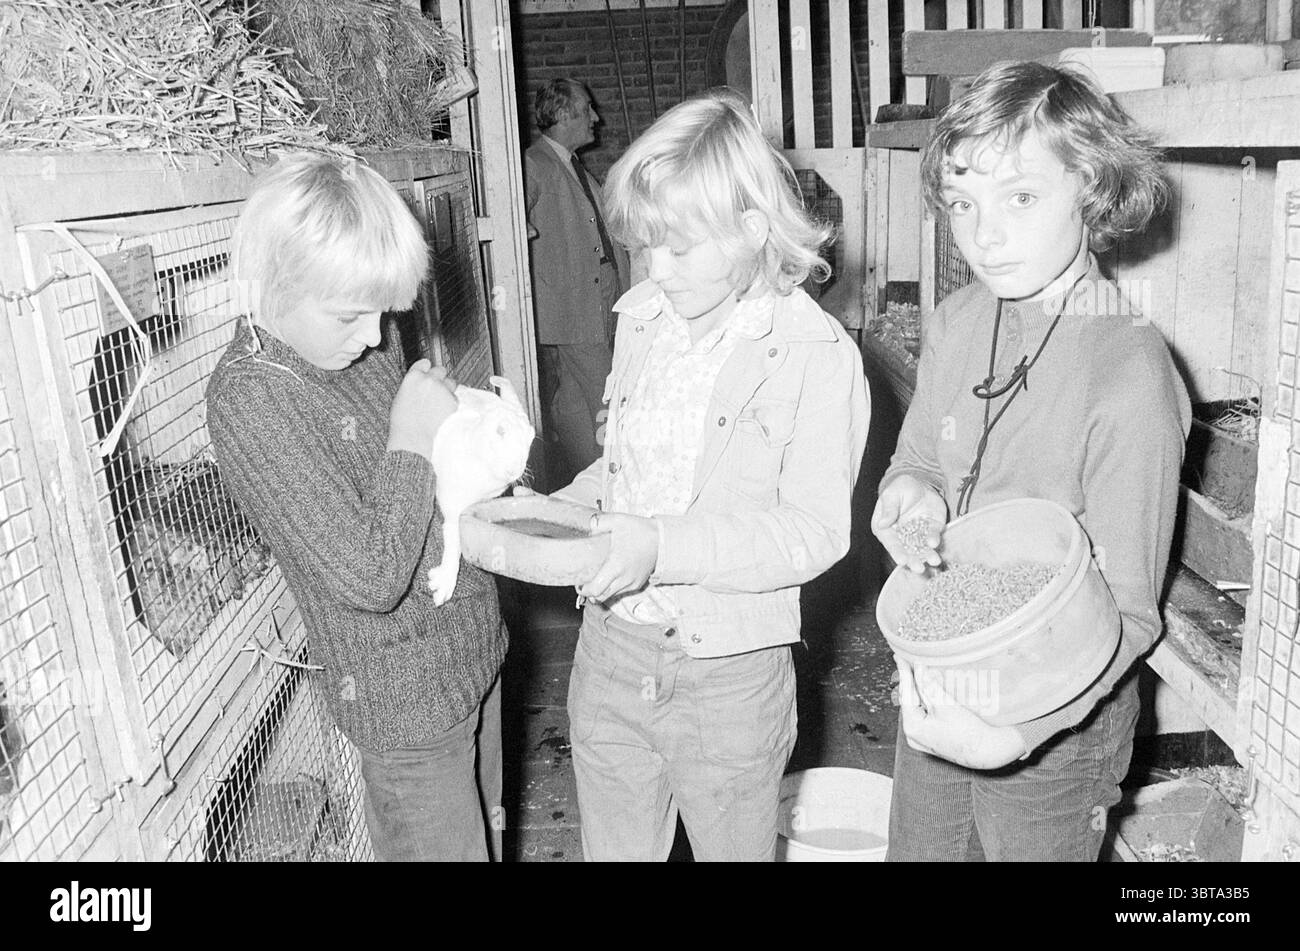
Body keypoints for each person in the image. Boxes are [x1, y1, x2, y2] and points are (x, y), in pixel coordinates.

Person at [539, 88, 870, 861]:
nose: (656, 267)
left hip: (726, 676)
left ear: (753, 228)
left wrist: (660, 546)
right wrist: (545, 516)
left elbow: (815, 533)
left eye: (679, 248)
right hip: (612, 652)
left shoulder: (816, 356)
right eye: (645, 244)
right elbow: (624, 477)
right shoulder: (643, 320)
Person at [871, 61, 1191, 861]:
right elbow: (920, 456)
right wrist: (910, 490)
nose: (985, 234)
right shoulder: (958, 319)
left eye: (1020, 197)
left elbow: (1129, 609)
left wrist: (1015, 735)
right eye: (963, 203)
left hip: (1060, 718)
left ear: (1089, 186)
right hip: (945, 674)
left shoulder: (1129, 373)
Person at [206, 155, 508, 862]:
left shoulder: (355, 346)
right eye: (351, 313)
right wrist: (413, 434)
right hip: (403, 704)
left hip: (472, 651)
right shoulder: (252, 396)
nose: (375, 335)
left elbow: (416, 491)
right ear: (277, 282)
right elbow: (369, 575)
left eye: (383, 309)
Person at [524, 78, 630, 486]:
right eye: (587, 108)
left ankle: (582, 476)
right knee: (607, 388)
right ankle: (610, 476)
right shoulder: (535, 163)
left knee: (570, 396)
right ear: (564, 114)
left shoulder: (571, 165)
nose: (595, 117)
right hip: (573, 304)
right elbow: (510, 215)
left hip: (592, 297)